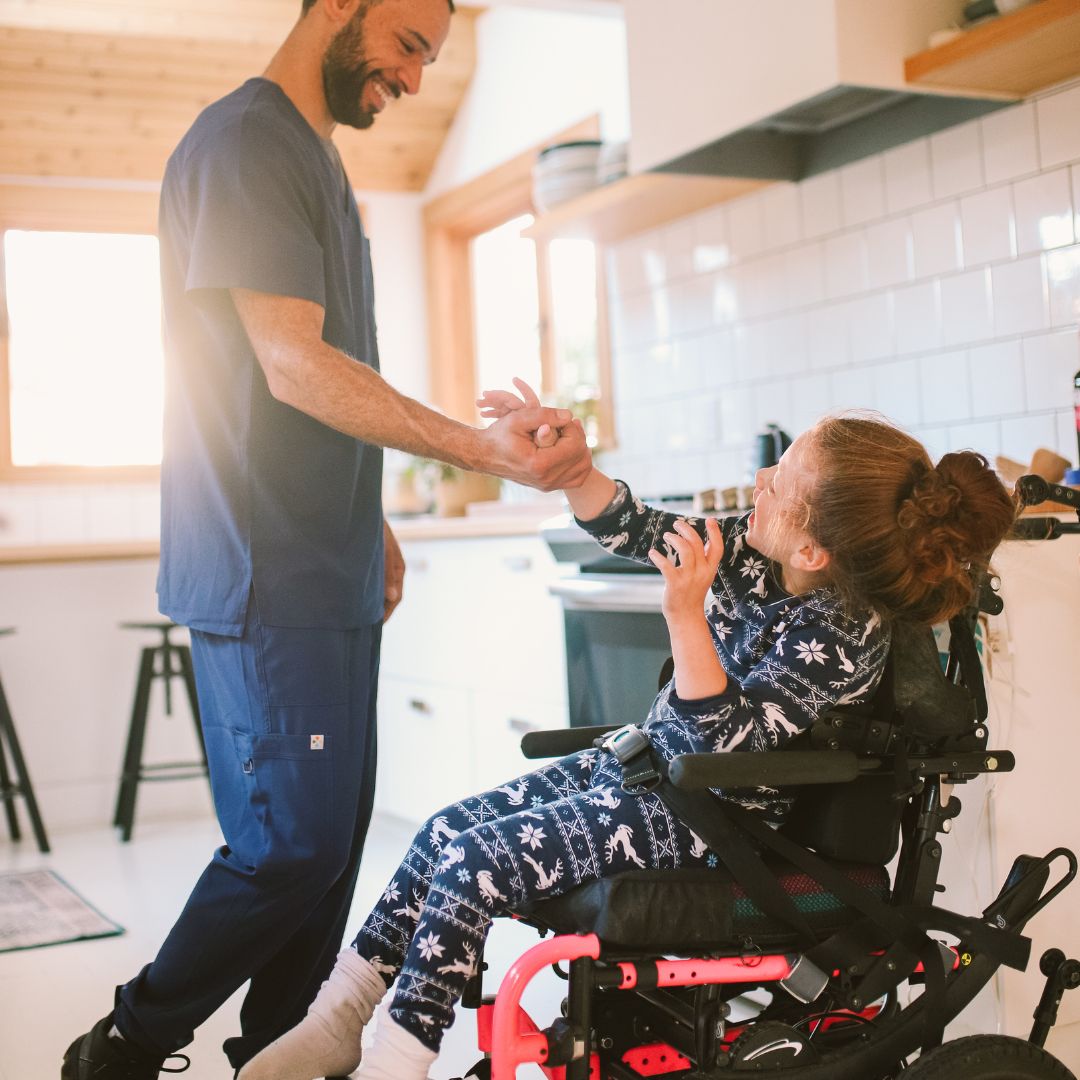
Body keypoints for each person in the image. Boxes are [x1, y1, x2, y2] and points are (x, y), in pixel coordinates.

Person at [61, 3, 591, 1077]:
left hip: (326, 559)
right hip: (265, 566)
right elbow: (290, 365)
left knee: (333, 845)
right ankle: (127, 1043)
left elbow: (316, 385)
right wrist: (483, 452)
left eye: (432, 60)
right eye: (407, 44)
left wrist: (374, 512)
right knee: (290, 845)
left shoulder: (316, 161)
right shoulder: (248, 142)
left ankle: (278, 1051)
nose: (415, 78)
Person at [235, 388, 1018, 1080]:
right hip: (653, 776)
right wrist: (576, 474)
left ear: (815, 547)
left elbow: (721, 748)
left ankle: (395, 1062)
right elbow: (645, 527)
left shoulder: (841, 633)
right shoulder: (766, 550)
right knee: (447, 830)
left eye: (777, 484)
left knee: (476, 864)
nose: (759, 484)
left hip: (718, 822)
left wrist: (684, 613)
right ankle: (337, 1019)